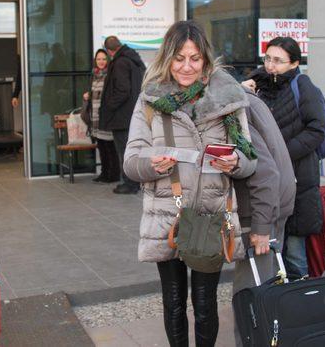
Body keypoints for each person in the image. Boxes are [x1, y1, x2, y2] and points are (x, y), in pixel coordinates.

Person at [124, 20, 257, 347]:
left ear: (205, 61)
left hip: (210, 217)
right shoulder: (150, 101)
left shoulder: (229, 99)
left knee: (205, 302)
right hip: (167, 216)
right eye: (179, 58)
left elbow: (250, 159)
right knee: (172, 302)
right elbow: (130, 162)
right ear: (167, 58)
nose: (186, 67)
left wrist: (235, 161)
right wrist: (152, 164)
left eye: (194, 59)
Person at [242, 36, 325, 279]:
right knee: (269, 247)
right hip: (268, 180)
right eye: (268, 58)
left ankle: (300, 300)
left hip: (299, 178)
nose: (270, 66)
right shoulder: (257, 84)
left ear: (294, 63)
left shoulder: (303, 86)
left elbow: (317, 130)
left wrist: (282, 152)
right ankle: (273, 299)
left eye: (278, 61)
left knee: (295, 254)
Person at [232, 86, 296, 347]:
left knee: (251, 296)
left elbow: (266, 173)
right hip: (273, 203)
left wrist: (260, 226)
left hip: (262, 208)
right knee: (267, 288)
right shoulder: (244, 98)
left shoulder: (232, 107)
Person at [100, 35, 146, 194]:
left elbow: (122, 90)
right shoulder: (133, 60)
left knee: (125, 150)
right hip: (133, 114)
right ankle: (135, 182)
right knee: (132, 149)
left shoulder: (120, 63)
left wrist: (109, 105)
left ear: (109, 51)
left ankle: (130, 183)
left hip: (122, 116)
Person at [82, 49, 120, 183]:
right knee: (102, 147)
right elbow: (95, 93)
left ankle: (114, 174)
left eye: (104, 59)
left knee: (110, 147)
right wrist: (88, 95)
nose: (101, 62)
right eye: (98, 59)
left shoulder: (110, 75)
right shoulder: (94, 75)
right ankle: (104, 173)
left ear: (108, 60)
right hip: (96, 117)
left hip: (106, 117)